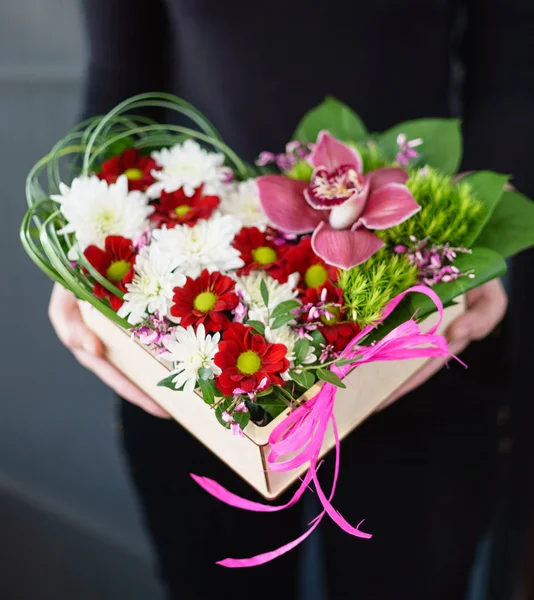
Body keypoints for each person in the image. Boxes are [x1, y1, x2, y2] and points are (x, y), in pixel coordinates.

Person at [48, 0, 533, 598]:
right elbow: (118, 76)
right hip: (196, 333)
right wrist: (81, 252)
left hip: (412, 317)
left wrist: (473, 245)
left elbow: (512, 76)